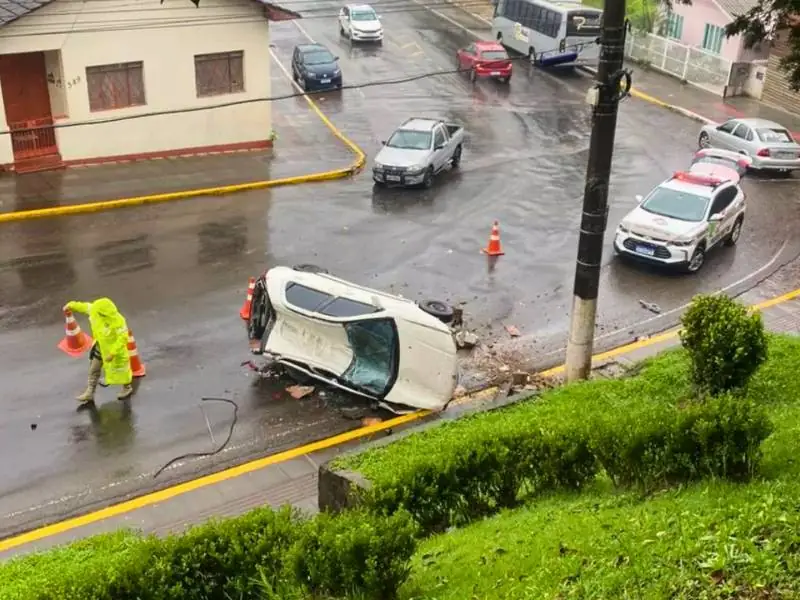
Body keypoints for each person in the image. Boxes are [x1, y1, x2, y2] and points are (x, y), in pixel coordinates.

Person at [63, 297, 133, 403]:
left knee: (121, 371)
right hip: (100, 347)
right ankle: (89, 393)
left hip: (114, 351)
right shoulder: (95, 310)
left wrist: (113, 353)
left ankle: (127, 387)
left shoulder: (118, 320)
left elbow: (123, 338)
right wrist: (71, 305)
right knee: (93, 370)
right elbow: (84, 306)